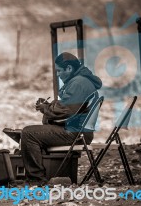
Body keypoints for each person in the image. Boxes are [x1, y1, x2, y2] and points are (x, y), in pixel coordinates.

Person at [21, 52, 102, 184]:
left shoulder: (78, 83)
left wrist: (45, 108)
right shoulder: (81, 80)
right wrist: (48, 106)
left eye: (59, 71)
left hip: (75, 133)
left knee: (28, 133)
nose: (58, 74)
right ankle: (42, 175)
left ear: (69, 68)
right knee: (33, 131)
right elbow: (68, 106)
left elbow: (66, 110)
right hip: (79, 130)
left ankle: (36, 179)